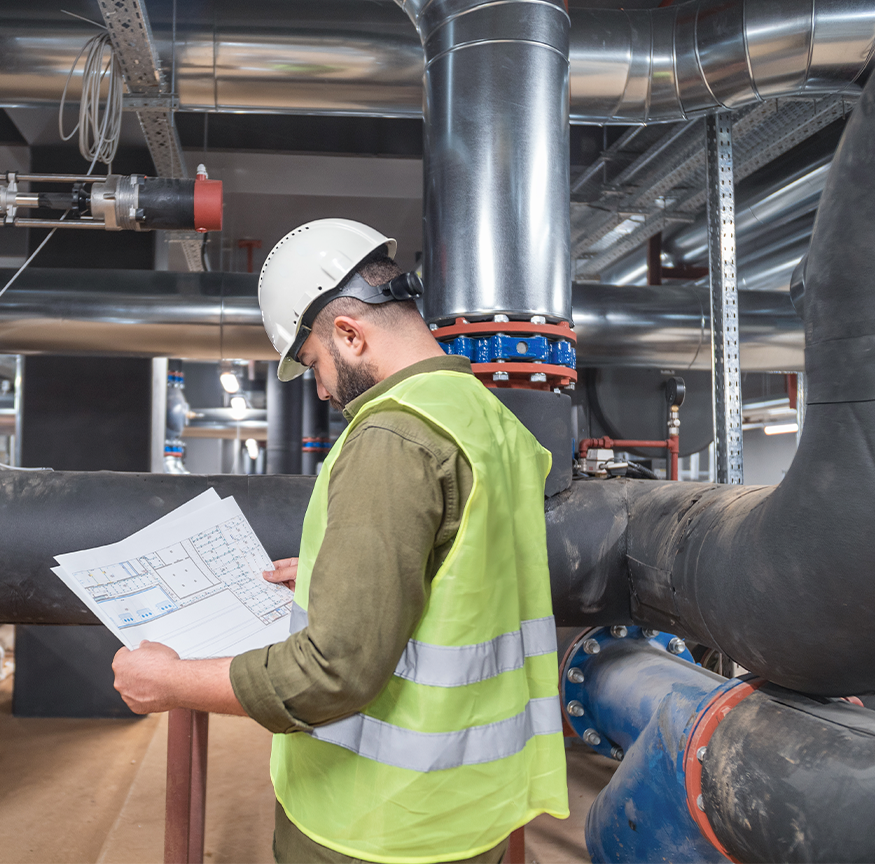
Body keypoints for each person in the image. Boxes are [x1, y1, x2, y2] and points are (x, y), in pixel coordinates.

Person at [112, 218, 569, 863]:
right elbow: (470, 576)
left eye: (316, 364)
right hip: (470, 809)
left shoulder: (392, 437)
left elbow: (333, 673)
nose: (322, 390)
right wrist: (344, 573)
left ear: (350, 334)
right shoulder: (485, 417)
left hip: (377, 823)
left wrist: (173, 681)